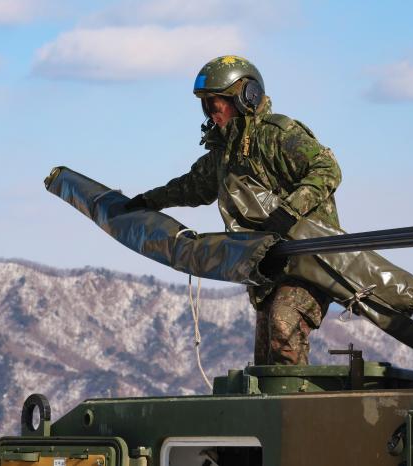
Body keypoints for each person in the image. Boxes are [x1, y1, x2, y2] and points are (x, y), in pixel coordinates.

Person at [126, 55, 342, 365]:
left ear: (244, 98)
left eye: (216, 105)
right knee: (267, 359)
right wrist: (149, 201)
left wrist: (289, 213)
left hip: (311, 259)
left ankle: (297, 411)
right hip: (269, 266)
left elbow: (327, 169)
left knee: (284, 322)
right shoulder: (225, 153)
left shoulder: (278, 134)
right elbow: (192, 186)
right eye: (207, 107)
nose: (211, 114)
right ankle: (273, 412)